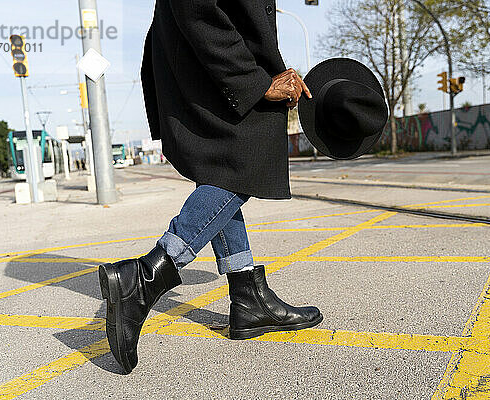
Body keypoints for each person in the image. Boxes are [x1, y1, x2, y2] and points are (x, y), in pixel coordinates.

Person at [98, 0, 322, 374]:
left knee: (225, 167)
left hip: (198, 58)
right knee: (242, 161)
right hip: (207, 60)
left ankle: (247, 297)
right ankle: (146, 276)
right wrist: (255, 82)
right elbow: (196, 6)